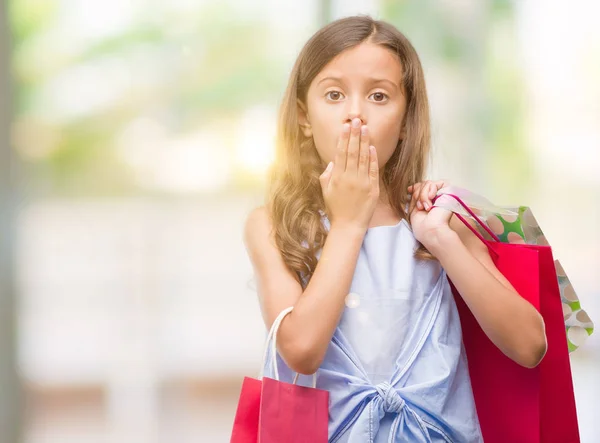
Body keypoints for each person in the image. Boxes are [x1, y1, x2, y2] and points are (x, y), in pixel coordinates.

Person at [243, 15, 547, 443]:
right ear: (304, 117)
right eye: (333, 95)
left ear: (406, 122)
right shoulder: (273, 225)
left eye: (379, 96)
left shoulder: (437, 218)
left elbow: (529, 345)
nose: (355, 114)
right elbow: (301, 351)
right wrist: (349, 222)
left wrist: (441, 238)